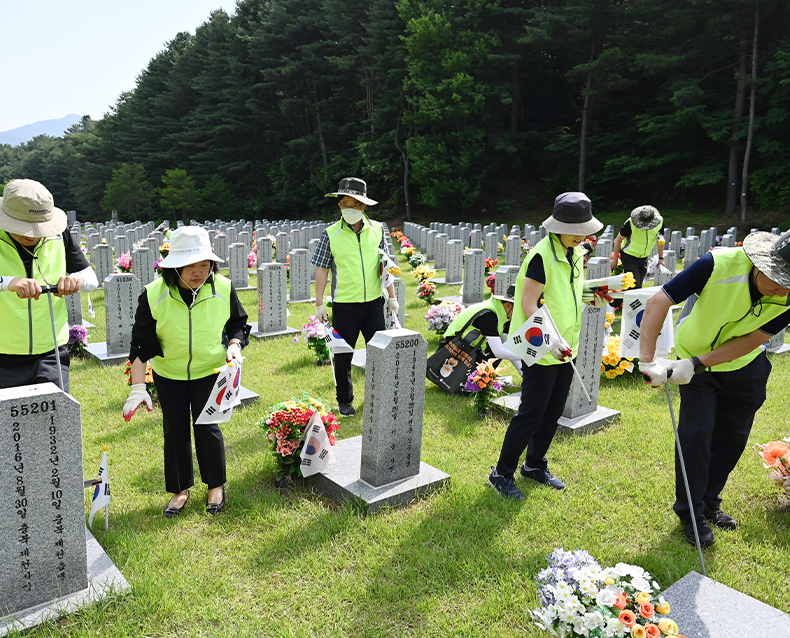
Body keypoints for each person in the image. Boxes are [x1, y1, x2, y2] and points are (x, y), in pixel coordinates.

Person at [639, 229, 790, 547]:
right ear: (760, 266)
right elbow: (658, 301)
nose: (781, 292)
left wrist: (698, 363)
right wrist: (648, 360)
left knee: (732, 437)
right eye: (778, 282)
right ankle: (690, 514)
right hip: (693, 360)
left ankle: (709, 502)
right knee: (696, 436)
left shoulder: (787, 295)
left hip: (743, 365)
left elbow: (751, 340)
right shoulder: (716, 264)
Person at [123, 226, 249, 518]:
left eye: (204, 265)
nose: (198, 272)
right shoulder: (154, 295)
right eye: (191, 265)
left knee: (208, 427)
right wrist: (138, 387)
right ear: (174, 265)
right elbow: (141, 344)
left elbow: (237, 323)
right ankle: (180, 490)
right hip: (170, 375)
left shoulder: (223, 287)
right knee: (175, 430)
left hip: (209, 371)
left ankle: (215, 486)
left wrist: (234, 345)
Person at [488, 192, 602, 499]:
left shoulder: (575, 253)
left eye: (585, 230)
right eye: (577, 230)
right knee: (531, 414)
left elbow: (566, 293)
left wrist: (594, 295)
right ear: (559, 226)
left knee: (552, 412)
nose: (583, 236)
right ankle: (501, 473)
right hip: (540, 347)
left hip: (568, 348)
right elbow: (528, 302)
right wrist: (550, 341)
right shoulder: (541, 255)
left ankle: (534, 465)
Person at [311, 177, 399, 417]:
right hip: (345, 305)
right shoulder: (330, 234)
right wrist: (319, 303)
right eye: (346, 204)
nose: (351, 209)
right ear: (339, 205)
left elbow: (385, 265)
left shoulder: (379, 229)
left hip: (373, 304)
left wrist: (392, 297)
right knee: (342, 356)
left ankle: (379, 396)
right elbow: (322, 269)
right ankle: (345, 400)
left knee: (380, 353)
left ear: (365, 207)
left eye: (356, 205)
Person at [0, 179, 98, 393]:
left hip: (51, 352)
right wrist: (8, 283)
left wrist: (76, 281)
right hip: (3, 355)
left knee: (56, 423)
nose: (33, 234)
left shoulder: (59, 234)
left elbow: (91, 278)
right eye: (25, 227)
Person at [429, 284, 522, 390]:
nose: (520, 315)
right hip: (456, 350)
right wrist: (524, 356)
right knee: (498, 352)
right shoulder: (489, 315)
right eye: (519, 310)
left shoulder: (500, 310)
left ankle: (484, 378)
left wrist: (523, 373)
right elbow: (498, 351)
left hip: (469, 348)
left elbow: (508, 343)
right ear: (508, 305)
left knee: (502, 347)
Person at [611, 205, 664, 289]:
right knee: (635, 286)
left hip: (644, 258)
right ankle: (617, 301)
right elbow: (618, 240)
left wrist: (661, 258)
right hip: (629, 256)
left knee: (635, 286)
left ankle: (616, 301)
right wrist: (615, 260)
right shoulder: (630, 223)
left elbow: (660, 240)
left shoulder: (659, 223)